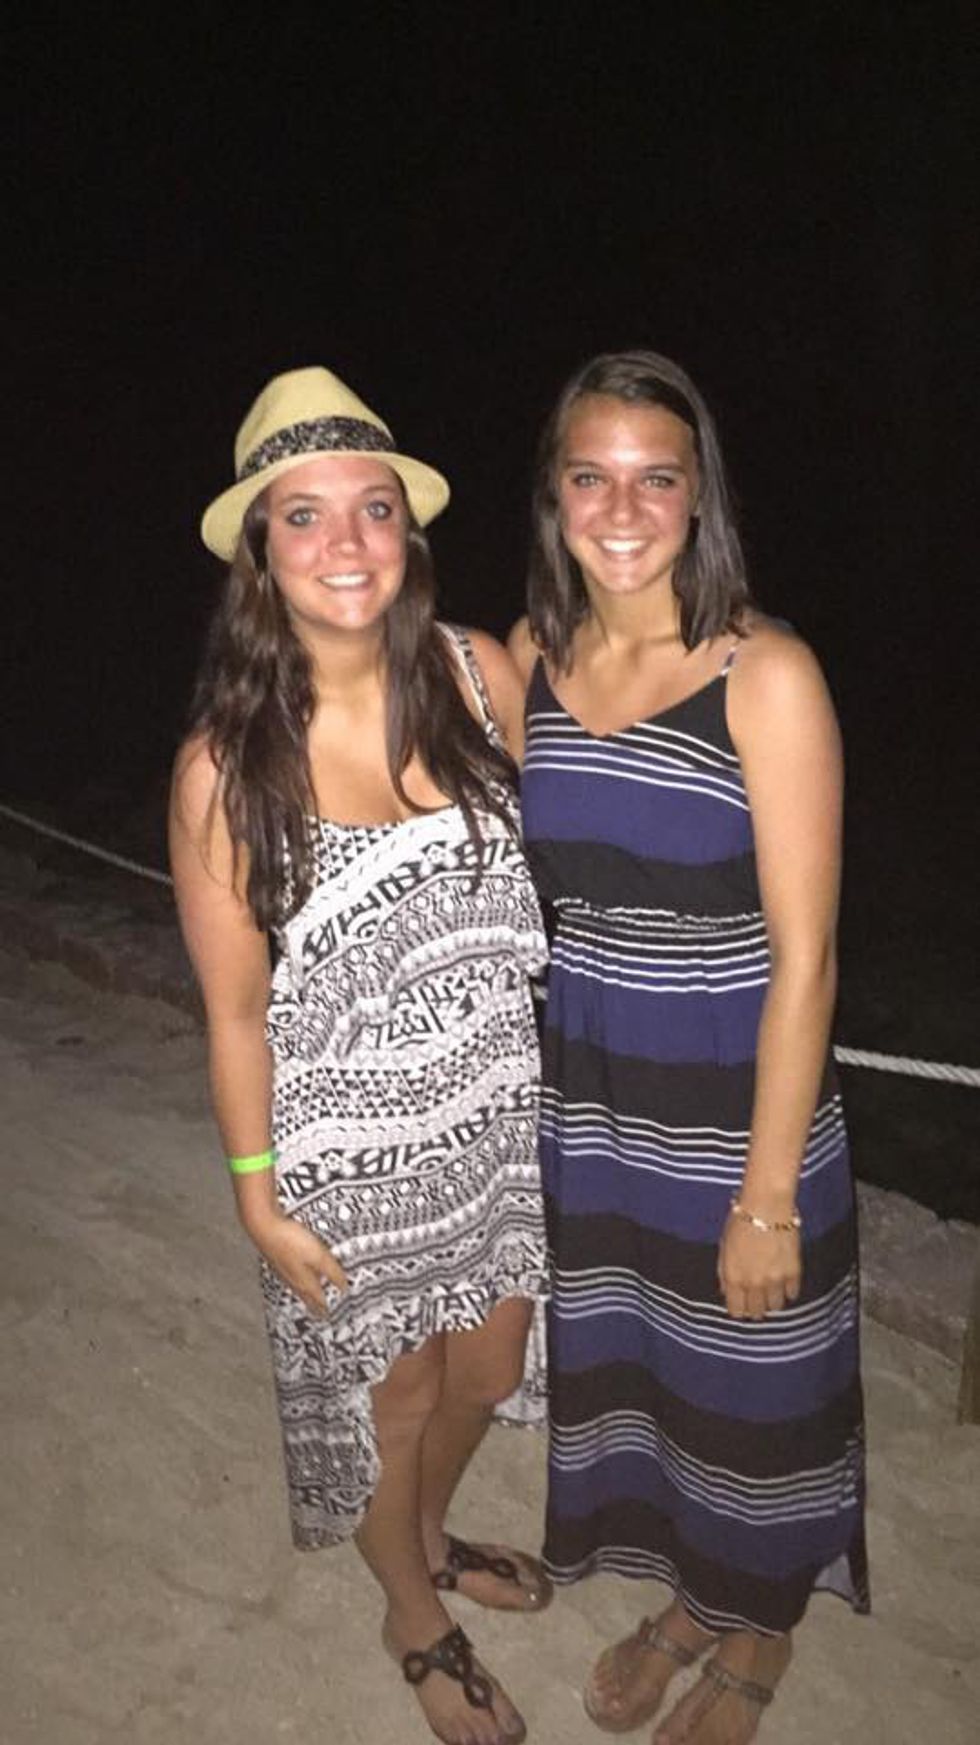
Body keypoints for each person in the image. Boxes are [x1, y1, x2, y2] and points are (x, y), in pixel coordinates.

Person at [170, 365, 551, 1745]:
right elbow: (233, 1012)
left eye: (373, 509)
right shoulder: (228, 765)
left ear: (409, 531)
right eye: (305, 515)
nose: (347, 542)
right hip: (345, 1158)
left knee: (489, 1372)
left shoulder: (479, 676)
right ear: (260, 554)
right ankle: (410, 1607)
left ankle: (430, 1535)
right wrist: (258, 1197)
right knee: (396, 1400)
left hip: (496, 1117)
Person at [509, 350, 868, 1745]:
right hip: (597, 1101)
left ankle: (757, 1623)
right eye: (590, 476)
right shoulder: (536, 659)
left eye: (654, 478)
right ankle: (692, 1598)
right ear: (554, 495)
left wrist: (769, 1194)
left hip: (732, 1103)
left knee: (754, 1383)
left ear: (698, 494)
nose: (621, 509)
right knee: (654, 1373)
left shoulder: (763, 674)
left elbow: (809, 959)